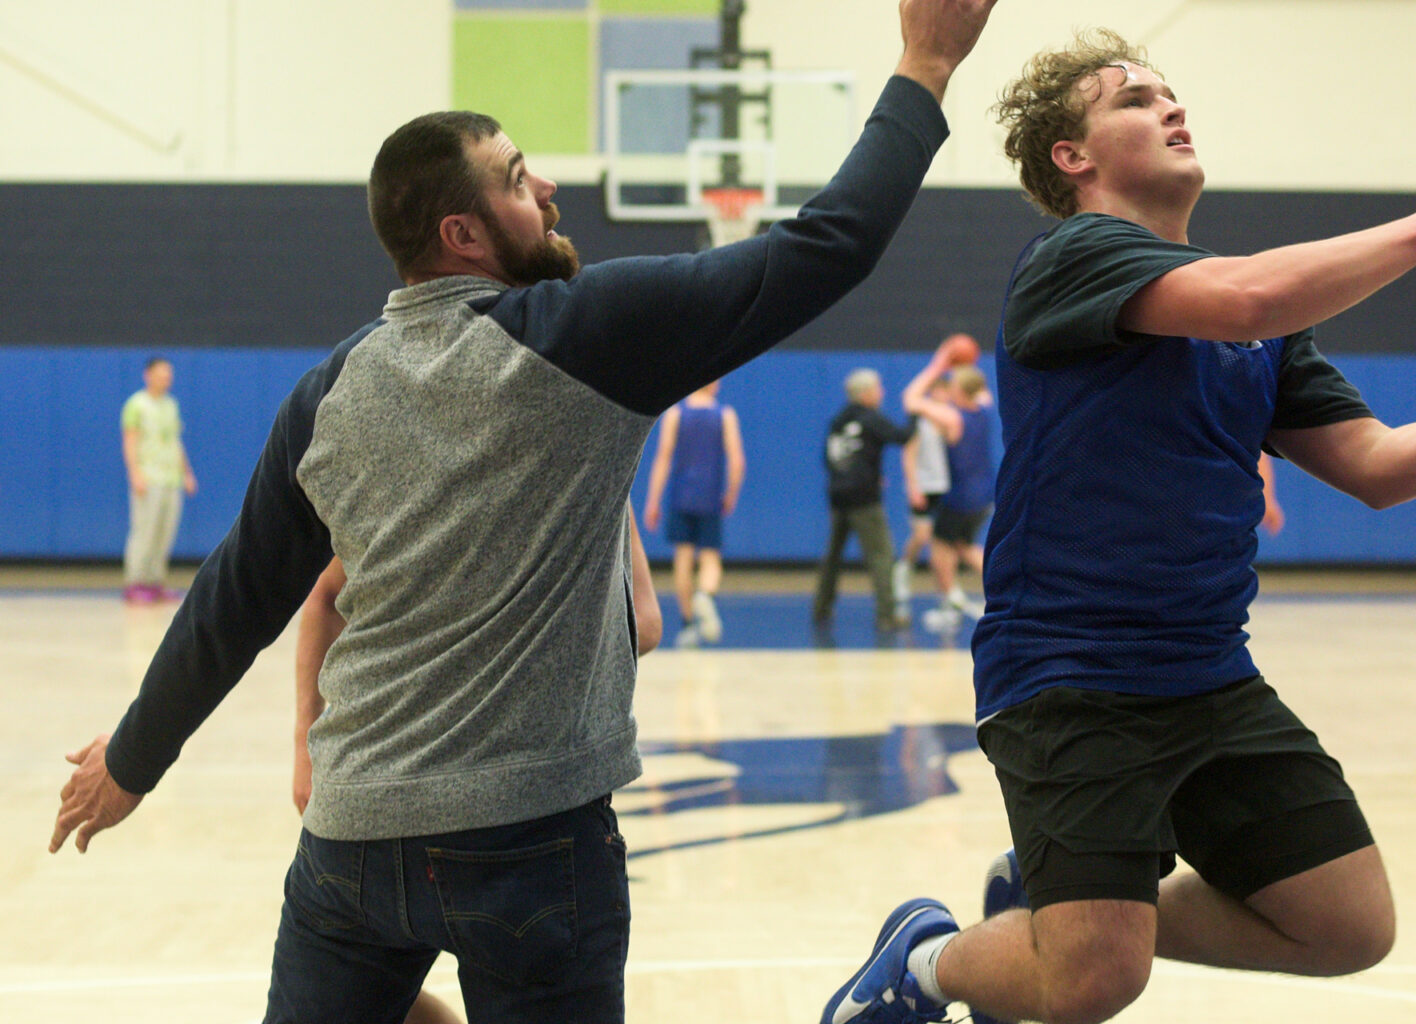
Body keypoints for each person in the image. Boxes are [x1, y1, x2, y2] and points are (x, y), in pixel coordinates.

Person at [49, 5, 998, 1023]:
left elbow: (235, 601)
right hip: (533, 846)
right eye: (515, 178)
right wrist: (925, 62)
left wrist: (132, 761)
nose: (546, 189)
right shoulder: (584, 335)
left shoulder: (328, 393)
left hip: (352, 845)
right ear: (462, 234)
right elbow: (828, 245)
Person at [819, 29, 1416, 1024]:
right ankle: (924, 963)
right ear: (1072, 157)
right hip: (1071, 674)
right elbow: (1248, 294)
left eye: (1171, 93)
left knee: (1348, 925)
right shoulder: (1071, 258)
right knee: (1094, 983)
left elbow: (1379, 468)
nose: (1169, 106)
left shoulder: (1261, 325)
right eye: (1133, 99)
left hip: (1209, 671)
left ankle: (1056, 915)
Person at [290, 510, 659, 1024]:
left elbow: (645, 618)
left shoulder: (565, 484)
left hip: (431, 801)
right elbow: (645, 620)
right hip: (460, 803)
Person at [642, 379, 745, 647]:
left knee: (683, 558)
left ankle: (687, 624)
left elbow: (663, 458)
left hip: (681, 496)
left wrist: (653, 501)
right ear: (713, 383)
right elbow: (737, 461)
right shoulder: (725, 415)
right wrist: (731, 493)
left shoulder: (675, 414)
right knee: (710, 557)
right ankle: (706, 595)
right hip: (710, 496)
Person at [901, 342, 997, 628]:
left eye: (953, 383)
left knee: (940, 550)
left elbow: (910, 399)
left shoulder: (952, 417)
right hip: (984, 494)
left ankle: (949, 608)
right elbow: (978, 386)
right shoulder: (984, 407)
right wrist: (966, 363)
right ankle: (1004, 592)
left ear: (959, 390)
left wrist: (939, 364)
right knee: (965, 546)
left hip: (960, 495)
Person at [814, 368, 918, 628]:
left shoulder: (838, 420)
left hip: (838, 495)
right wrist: (915, 413)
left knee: (833, 556)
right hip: (864, 498)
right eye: (877, 388)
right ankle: (887, 614)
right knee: (881, 555)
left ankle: (821, 607)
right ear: (865, 393)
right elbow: (902, 436)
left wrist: (847, 477)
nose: (881, 393)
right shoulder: (871, 418)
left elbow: (828, 458)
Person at [120, 356, 198, 604]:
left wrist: (186, 473)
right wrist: (135, 473)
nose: (166, 378)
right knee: (145, 532)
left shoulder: (170, 405)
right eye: (161, 374)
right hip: (149, 478)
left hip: (170, 480)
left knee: (165, 533)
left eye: (168, 374)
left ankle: (155, 583)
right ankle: (135, 583)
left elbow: (175, 441)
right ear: (148, 375)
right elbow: (130, 441)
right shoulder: (136, 405)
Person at [895, 366, 954, 605]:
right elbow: (908, 455)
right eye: (939, 391)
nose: (943, 396)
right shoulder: (918, 420)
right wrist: (913, 487)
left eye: (946, 392)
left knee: (942, 543)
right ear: (931, 394)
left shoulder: (949, 418)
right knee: (921, 536)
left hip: (944, 485)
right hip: (923, 485)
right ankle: (903, 569)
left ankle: (946, 591)